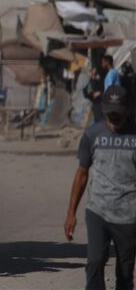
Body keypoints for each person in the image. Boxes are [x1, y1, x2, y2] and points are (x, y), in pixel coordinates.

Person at [64, 85, 136, 290]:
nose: (113, 118)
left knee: (125, 273)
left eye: (118, 113)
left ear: (128, 109)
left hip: (129, 216)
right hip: (98, 211)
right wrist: (71, 213)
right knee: (94, 262)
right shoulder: (92, 134)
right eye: (110, 113)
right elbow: (82, 174)